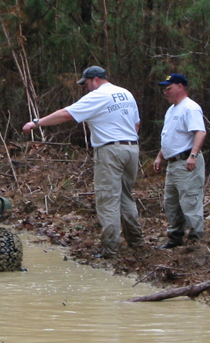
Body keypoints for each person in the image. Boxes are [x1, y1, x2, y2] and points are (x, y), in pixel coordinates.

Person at [22, 66, 144, 258]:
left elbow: (66, 114)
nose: (87, 88)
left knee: (107, 199)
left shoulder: (99, 95)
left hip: (110, 151)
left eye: (87, 84)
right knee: (125, 196)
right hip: (132, 148)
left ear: (95, 79)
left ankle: (110, 251)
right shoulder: (125, 93)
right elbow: (136, 124)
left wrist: (37, 123)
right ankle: (136, 243)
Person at [154, 74, 206, 249]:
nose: (165, 93)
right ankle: (175, 238)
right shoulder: (171, 110)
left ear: (180, 87)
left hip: (186, 163)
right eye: (164, 90)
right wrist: (160, 156)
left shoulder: (190, 108)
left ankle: (196, 242)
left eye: (168, 88)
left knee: (190, 201)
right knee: (172, 203)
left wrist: (193, 156)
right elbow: (170, 137)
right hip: (173, 164)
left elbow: (200, 132)